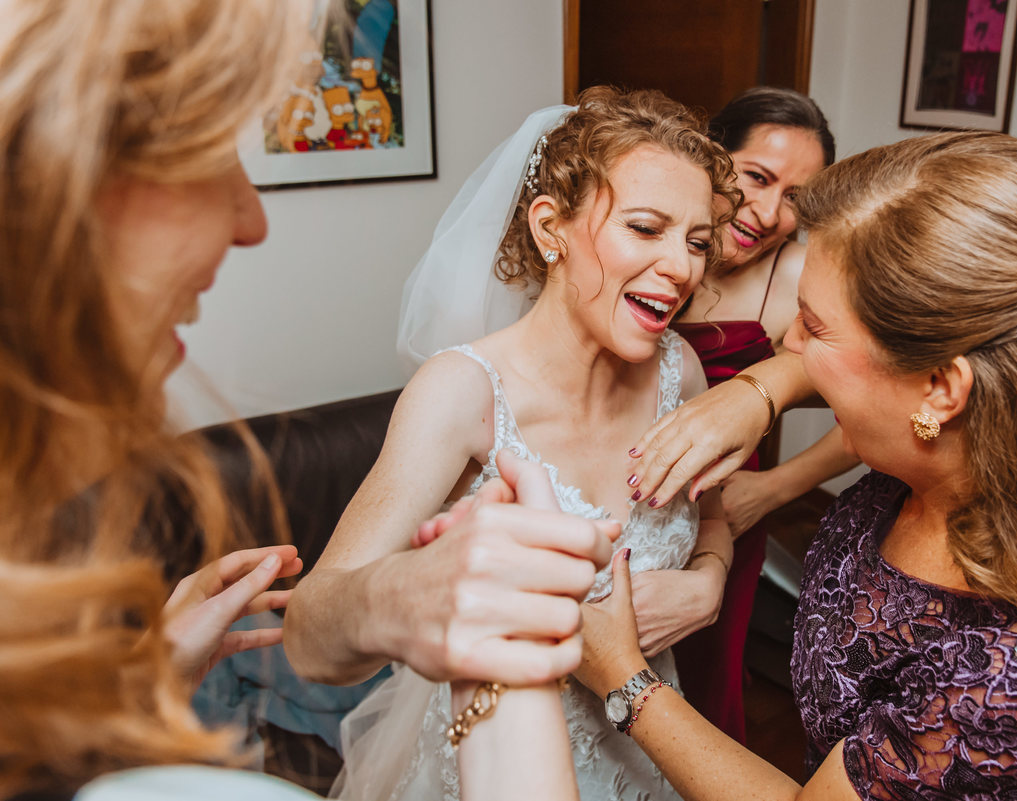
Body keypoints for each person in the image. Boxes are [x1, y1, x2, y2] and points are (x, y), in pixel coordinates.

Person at [0, 2, 610, 799]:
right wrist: (511, 659)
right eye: (212, 155)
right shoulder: (462, 384)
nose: (252, 219)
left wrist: (144, 677)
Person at [579, 131, 1017, 800]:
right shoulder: (978, 448)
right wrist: (760, 391)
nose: (788, 342)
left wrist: (623, 676)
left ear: (940, 388)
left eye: (814, 323)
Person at [285, 87, 740, 801]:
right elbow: (309, 633)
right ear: (550, 227)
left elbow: (711, 511)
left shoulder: (680, 369)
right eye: (646, 228)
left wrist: (707, 580)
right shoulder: (462, 392)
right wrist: (406, 592)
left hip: (648, 740)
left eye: (697, 241)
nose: (682, 268)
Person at [669, 86, 859, 742]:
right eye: (756, 177)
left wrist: (772, 489)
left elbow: (882, 411)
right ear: (710, 155)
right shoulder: (649, 241)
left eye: (796, 199)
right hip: (600, 506)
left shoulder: (805, 274)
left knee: (693, 700)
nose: (770, 211)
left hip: (719, 519)